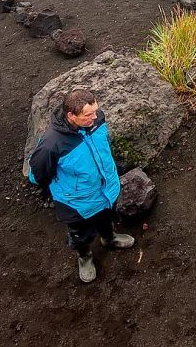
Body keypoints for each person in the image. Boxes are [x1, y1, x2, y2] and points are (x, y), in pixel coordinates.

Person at [28, 88, 135, 282]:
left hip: (106, 190)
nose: (95, 117)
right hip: (77, 202)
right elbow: (37, 175)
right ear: (71, 115)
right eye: (88, 115)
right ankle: (84, 256)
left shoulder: (97, 120)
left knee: (107, 217)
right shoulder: (51, 144)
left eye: (95, 111)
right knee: (80, 233)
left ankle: (109, 238)